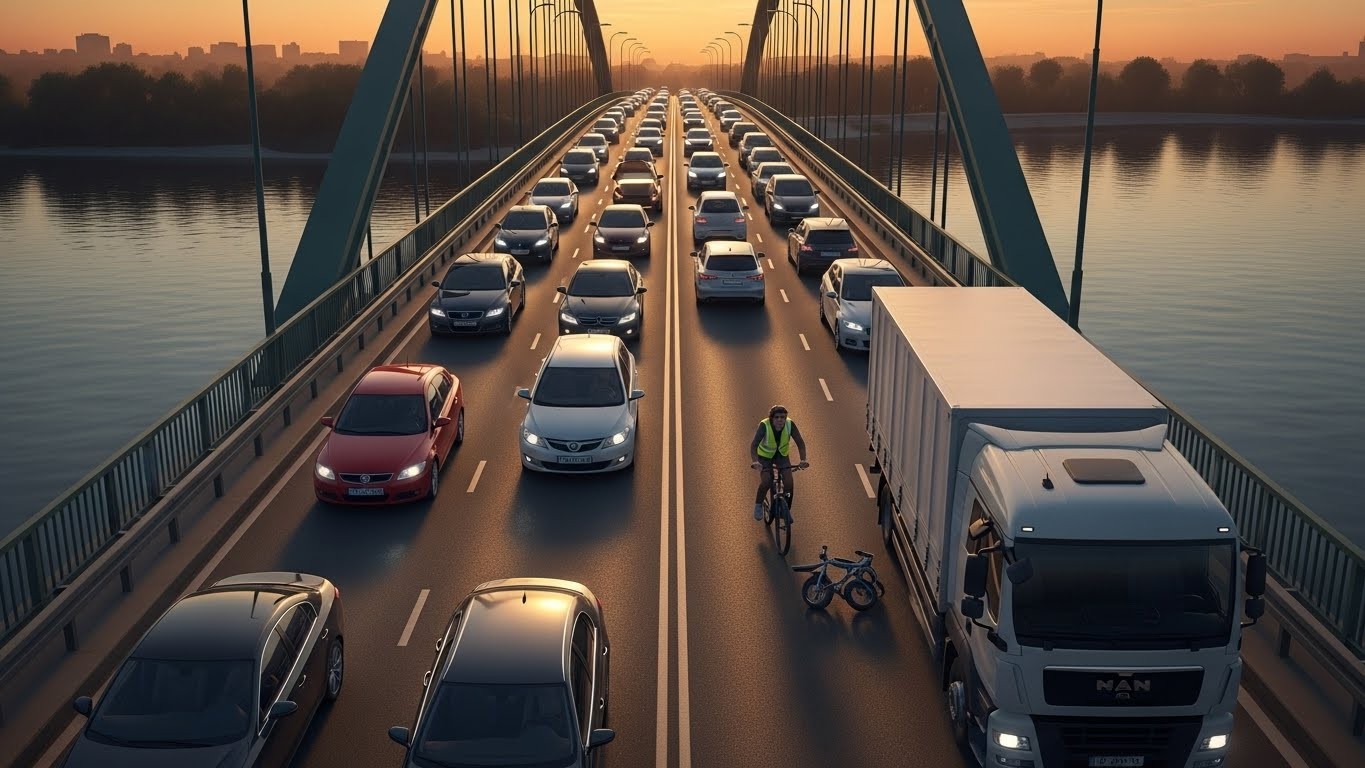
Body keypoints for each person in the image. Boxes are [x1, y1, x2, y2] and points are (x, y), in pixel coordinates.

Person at [750, 405, 809, 520]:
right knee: (766, 481)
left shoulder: (789, 424)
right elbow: (754, 445)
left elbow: (800, 443)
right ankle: (758, 505)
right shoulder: (764, 425)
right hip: (764, 457)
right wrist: (755, 462)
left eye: (782, 417)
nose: (780, 420)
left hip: (782, 456)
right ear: (772, 418)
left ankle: (785, 509)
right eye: (777, 417)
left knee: (789, 483)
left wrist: (803, 460)